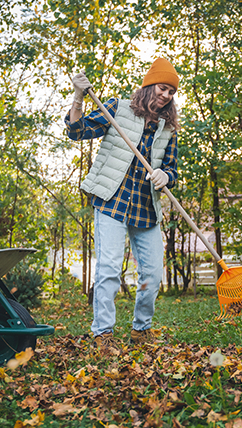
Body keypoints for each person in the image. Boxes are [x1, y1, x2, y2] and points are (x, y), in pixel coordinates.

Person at [64, 58, 180, 349]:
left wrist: (166, 175)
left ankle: (141, 331)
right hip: (112, 201)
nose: (166, 95)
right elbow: (77, 132)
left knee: (153, 275)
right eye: (162, 87)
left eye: (171, 91)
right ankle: (103, 334)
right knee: (109, 269)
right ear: (149, 85)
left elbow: (173, 169)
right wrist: (78, 97)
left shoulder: (168, 129)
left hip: (146, 208)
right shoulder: (117, 108)